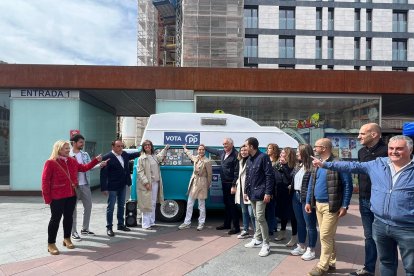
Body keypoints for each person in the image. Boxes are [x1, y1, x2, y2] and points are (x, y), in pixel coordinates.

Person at [312, 135, 414, 276]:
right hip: (381, 225)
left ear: (410, 149)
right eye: (391, 148)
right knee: (386, 262)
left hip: (407, 228)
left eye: (399, 149)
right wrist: (325, 164)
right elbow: (352, 166)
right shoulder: (378, 164)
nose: (394, 152)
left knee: (411, 267)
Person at [41, 140, 102, 255]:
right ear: (58, 149)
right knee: (55, 219)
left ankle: (67, 238)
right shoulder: (51, 162)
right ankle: (51, 243)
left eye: (68, 148)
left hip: (71, 195)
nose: (68, 150)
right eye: (66, 148)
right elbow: (45, 181)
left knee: (69, 217)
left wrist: (95, 161)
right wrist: (47, 198)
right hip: (57, 196)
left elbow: (84, 168)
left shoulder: (72, 161)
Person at [305, 138, 353, 276]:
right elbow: (311, 183)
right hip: (318, 204)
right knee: (329, 236)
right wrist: (308, 201)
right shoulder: (317, 163)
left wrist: (345, 205)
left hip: (331, 205)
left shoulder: (338, 164)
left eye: (316, 146)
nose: (314, 149)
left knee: (325, 235)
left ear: (324, 148)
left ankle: (322, 266)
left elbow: (347, 185)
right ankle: (331, 263)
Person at [350, 123, 387, 276]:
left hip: (382, 202)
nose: (359, 137)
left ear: (374, 135)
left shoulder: (387, 151)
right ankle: (368, 269)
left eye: (362, 133)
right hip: (364, 200)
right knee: (369, 236)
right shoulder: (361, 152)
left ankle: (388, 269)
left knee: (385, 237)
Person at [100, 139, 140, 237]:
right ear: (113, 147)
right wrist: (104, 188)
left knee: (121, 206)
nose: (120, 148)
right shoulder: (107, 157)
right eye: (118, 146)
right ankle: (109, 227)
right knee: (111, 207)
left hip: (122, 185)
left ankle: (120, 225)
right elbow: (103, 174)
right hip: (112, 186)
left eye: (122, 146)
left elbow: (133, 155)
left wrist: (143, 150)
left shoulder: (124, 154)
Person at [244, 137, 274, 257]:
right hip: (252, 193)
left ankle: (266, 244)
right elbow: (248, 177)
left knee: (260, 217)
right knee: (256, 216)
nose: (244, 148)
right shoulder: (249, 160)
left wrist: (268, 193)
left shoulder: (263, 157)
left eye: (246, 145)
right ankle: (257, 239)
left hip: (261, 193)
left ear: (251, 146)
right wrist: (246, 191)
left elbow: (269, 176)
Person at [205, 138, 240, 235]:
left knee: (233, 206)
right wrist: (205, 147)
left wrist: (234, 185)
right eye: (223, 144)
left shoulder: (236, 155)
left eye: (226, 144)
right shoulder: (222, 153)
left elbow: (237, 172)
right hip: (224, 182)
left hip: (231, 184)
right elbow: (214, 151)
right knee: (227, 204)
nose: (224, 146)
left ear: (232, 144)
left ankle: (236, 227)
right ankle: (227, 224)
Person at [290, 144, 317, 261]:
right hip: (295, 196)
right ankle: (301, 245)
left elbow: (312, 186)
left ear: (305, 152)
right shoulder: (298, 165)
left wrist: (309, 201)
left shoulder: (313, 166)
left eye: (298, 152)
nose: (296, 154)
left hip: (307, 198)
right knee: (300, 222)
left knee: (310, 225)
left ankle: (311, 249)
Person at [70, 134, 98, 241]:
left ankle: (85, 229)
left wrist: (100, 164)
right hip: (73, 186)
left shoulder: (85, 154)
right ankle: (73, 232)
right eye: (81, 142)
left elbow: (88, 167)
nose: (83, 144)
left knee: (88, 207)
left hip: (85, 185)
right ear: (75, 143)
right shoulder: (69, 155)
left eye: (83, 142)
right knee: (73, 210)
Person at [178, 144, 212, 231]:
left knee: (201, 205)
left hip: (202, 183)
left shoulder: (207, 161)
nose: (201, 151)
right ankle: (187, 222)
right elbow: (190, 155)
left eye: (203, 150)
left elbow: (209, 175)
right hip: (194, 183)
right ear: (197, 150)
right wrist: (185, 149)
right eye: (199, 149)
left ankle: (201, 223)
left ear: (205, 151)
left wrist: (207, 185)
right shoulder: (196, 158)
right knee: (189, 204)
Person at [137, 140, 169, 230]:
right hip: (147, 184)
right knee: (146, 203)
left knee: (153, 203)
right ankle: (146, 224)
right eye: (145, 145)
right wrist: (146, 183)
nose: (147, 146)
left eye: (149, 145)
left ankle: (151, 222)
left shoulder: (154, 156)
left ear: (151, 146)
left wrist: (165, 148)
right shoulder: (141, 158)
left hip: (155, 183)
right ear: (143, 147)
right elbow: (140, 172)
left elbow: (160, 156)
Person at [274, 147, 298, 247]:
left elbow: (290, 178)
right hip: (280, 192)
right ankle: (282, 233)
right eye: (281, 153)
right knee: (282, 214)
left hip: (290, 194)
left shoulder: (293, 166)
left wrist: (283, 167)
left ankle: (294, 237)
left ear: (288, 155)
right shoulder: (278, 164)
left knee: (292, 216)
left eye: (283, 153)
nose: (281, 155)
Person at [232, 144, 255, 239]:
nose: (243, 152)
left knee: (252, 213)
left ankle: (257, 232)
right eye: (242, 150)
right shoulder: (240, 161)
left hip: (249, 190)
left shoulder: (251, 160)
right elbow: (236, 174)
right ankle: (245, 230)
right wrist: (233, 185)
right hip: (241, 189)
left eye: (245, 150)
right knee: (244, 211)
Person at [265, 143, 279, 236]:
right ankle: (273, 226)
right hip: (267, 188)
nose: (267, 150)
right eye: (268, 148)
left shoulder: (277, 162)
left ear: (274, 150)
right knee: (268, 210)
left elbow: (276, 178)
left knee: (271, 211)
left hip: (274, 190)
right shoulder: (266, 159)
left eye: (269, 148)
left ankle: (271, 228)